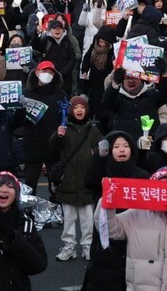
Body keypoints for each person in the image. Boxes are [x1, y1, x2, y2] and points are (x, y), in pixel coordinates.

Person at [82, 131, 149, 291]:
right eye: (116, 146)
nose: (121, 150)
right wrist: (99, 157)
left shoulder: (142, 175)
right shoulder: (103, 174)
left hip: (135, 235)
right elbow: (89, 181)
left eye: (126, 146)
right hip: (106, 238)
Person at [49, 95, 103, 261]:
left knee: (88, 220)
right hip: (68, 181)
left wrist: (94, 151)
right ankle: (69, 246)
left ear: (87, 110)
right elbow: (53, 145)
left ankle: (87, 247)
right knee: (69, 220)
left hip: (86, 182)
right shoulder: (65, 127)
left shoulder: (93, 130)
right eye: (76, 107)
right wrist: (58, 135)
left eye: (83, 107)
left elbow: (102, 145)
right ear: (70, 110)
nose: (79, 110)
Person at [21, 60, 67, 195]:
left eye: (51, 72)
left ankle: (56, 214)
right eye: (44, 71)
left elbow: (65, 116)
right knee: (29, 185)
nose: (47, 74)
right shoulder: (26, 94)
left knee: (55, 185)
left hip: (53, 145)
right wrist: (20, 109)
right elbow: (17, 121)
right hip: (32, 144)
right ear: (36, 73)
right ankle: (29, 214)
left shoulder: (61, 94)